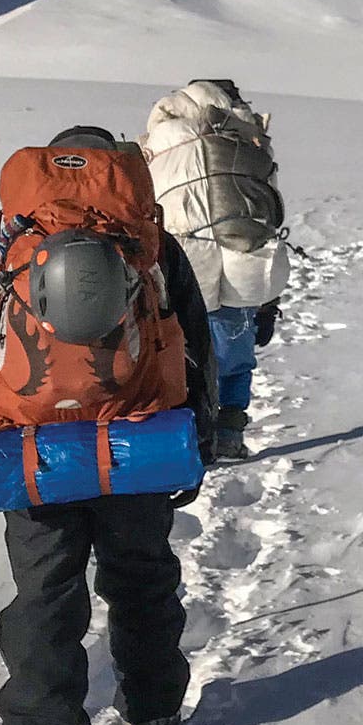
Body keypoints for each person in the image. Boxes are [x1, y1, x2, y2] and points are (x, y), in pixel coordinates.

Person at [0, 126, 215, 725]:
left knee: (45, 598)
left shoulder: (9, 244)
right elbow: (193, 339)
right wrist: (198, 439)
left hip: (35, 454)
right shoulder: (148, 245)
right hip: (136, 448)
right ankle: (154, 714)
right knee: (141, 578)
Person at [142, 80, 289, 464]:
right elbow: (269, 208)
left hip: (181, 263)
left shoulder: (159, 141)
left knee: (183, 354)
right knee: (234, 356)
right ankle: (228, 434)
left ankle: (190, 436)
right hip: (243, 257)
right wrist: (269, 301)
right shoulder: (244, 139)